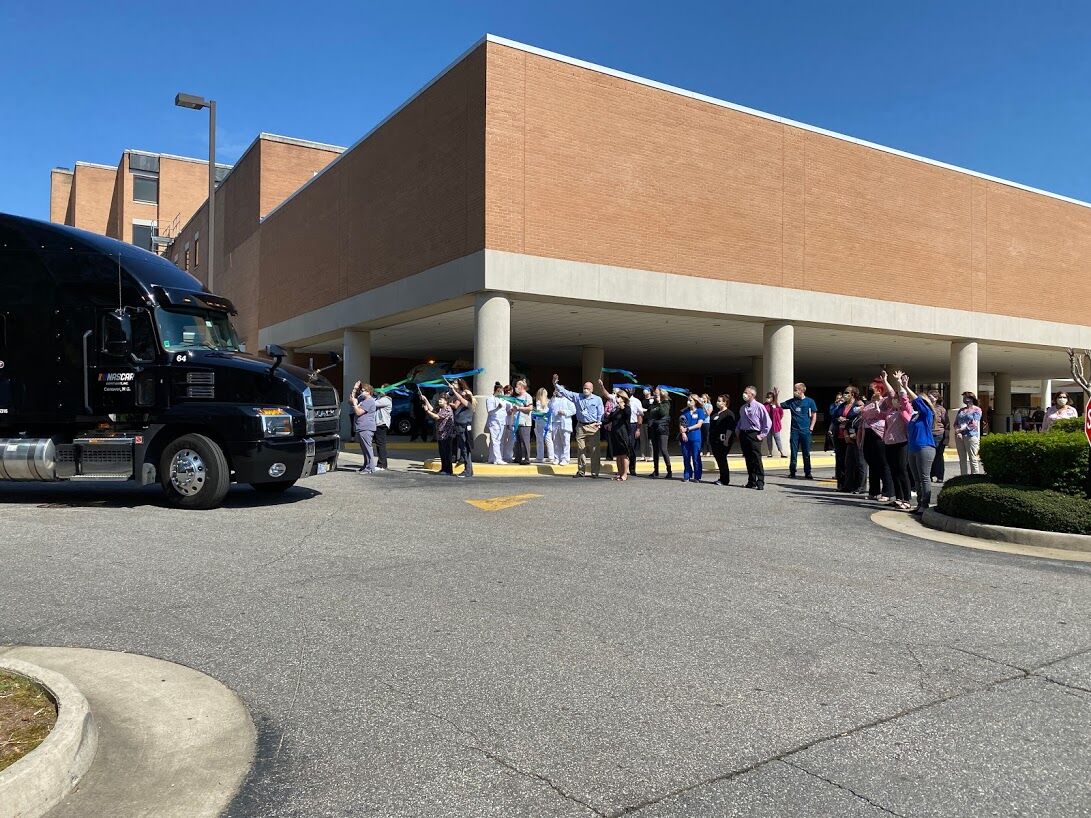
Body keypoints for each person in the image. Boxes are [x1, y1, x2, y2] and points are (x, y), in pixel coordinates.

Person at [552, 374, 605, 478]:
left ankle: (595, 472)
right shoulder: (577, 397)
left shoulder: (597, 399)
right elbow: (565, 392)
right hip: (581, 426)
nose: (585, 390)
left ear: (592, 390)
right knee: (581, 449)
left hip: (593, 426)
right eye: (584, 388)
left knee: (594, 450)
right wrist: (555, 384)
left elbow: (600, 412)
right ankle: (581, 471)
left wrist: (599, 422)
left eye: (588, 388)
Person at [901, 375, 936, 515]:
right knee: (916, 479)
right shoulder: (914, 416)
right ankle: (920, 503)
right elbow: (905, 404)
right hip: (913, 448)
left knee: (924, 477)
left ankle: (925, 504)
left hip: (925, 447)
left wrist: (906, 387)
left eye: (918, 401)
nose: (914, 402)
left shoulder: (927, 413)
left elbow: (917, 401)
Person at [879, 371, 913, 510]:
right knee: (893, 470)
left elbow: (902, 396)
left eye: (896, 398)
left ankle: (906, 499)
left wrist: (900, 382)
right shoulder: (890, 411)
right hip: (889, 443)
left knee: (902, 470)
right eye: (892, 399)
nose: (893, 399)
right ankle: (898, 498)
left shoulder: (905, 409)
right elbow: (891, 392)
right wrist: (885, 381)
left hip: (901, 443)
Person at [857, 383, 892, 502]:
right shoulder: (868, 404)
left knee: (883, 463)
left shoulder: (886, 402)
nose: (871, 391)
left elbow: (891, 396)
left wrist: (886, 381)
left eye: (873, 389)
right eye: (869, 389)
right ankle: (874, 491)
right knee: (872, 463)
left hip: (879, 434)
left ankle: (887, 492)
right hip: (868, 434)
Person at [774, 383, 817, 479]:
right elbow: (778, 406)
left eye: (796, 389)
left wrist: (811, 427)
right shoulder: (792, 402)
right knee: (794, 452)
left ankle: (808, 472)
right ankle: (792, 471)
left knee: (806, 452)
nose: (794, 391)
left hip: (806, 431)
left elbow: (814, 415)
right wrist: (776, 396)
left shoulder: (810, 401)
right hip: (795, 431)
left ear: (802, 390)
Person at [736, 385, 771, 489]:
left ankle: (760, 482)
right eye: (744, 392)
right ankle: (751, 481)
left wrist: (762, 435)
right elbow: (740, 421)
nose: (744, 394)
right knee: (748, 458)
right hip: (744, 434)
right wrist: (737, 430)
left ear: (752, 395)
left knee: (756, 458)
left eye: (746, 393)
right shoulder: (743, 408)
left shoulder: (759, 406)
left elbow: (767, 422)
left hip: (754, 434)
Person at [420, 392, 456, 475]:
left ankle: (448, 470)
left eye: (441, 399)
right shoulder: (440, 408)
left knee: (447, 453)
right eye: (439, 399)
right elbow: (433, 409)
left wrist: (426, 411)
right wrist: (425, 400)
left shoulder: (447, 409)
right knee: (442, 453)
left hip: (447, 435)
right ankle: (443, 469)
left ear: (446, 401)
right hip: (440, 434)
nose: (439, 401)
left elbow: (437, 417)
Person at [448, 378, 475, 478]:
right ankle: (469, 471)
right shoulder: (462, 404)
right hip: (460, 427)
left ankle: (467, 471)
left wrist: (455, 390)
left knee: (465, 449)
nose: (461, 395)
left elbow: (461, 399)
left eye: (463, 394)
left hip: (464, 428)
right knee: (464, 449)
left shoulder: (468, 403)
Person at [830, 391, 857, 491]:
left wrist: (847, 421)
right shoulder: (841, 406)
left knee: (850, 462)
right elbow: (833, 418)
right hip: (839, 436)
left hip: (851, 437)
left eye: (847, 393)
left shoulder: (857, 405)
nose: (845, 395)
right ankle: (841, 485)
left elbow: (857, 418)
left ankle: (852, 485)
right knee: (840, 461)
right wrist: (838, 419)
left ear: (852, 394)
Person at [350, 382, 378, 474]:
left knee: (367, 448)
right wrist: (355, 388)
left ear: (369, 392)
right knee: (364, 448)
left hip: (366, 427)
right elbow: (351, 400)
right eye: (361, 390)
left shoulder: (369, 401)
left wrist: (355, 405)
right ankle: (366, 465)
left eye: (363, 390)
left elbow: (358, 412)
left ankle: (370, 468)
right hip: (361, 427)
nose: (361, 392)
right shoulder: (362, 399)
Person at [707, 394, 736, 485]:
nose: (717, 402)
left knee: (722, 458)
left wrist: (727, 439)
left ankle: (725, 479)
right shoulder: (716, 413)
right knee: (719, 459)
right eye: (717, 401)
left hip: (723, 439)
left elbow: (730, 428)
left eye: (720, 401)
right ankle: (721, 477)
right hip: (714, 440)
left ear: (725, 403)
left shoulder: (729, 414)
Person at [679, 393, 707, 483]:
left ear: (695, 402)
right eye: (688, 400)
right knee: (686, 457)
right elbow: (681, 423)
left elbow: (699, 425)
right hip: (685, 438)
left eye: (690, 400)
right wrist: (683, 432)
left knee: (696, 457)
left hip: (695, 437)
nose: (688, 402)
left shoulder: (700, 411)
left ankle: (697, 476)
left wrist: (687, 429)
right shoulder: (684, 411)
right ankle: (687, 475)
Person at [954, 392, 984, 475]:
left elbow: (974, 424)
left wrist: (961, 430)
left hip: (971, 436)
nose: (964, 399)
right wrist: (958, 431)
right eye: (963, 397)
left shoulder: (977, 410)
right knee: (962, 459)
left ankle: (974, 477)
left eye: (965, 397)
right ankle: (963, 477)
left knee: (973, 458)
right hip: (960, 436)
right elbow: (956, 423)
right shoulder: (961, 410)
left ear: (971, 399)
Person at [646, 388, 673, 478]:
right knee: (655, 450)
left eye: (657, 394)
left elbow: (663, 413)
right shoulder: (654, 404)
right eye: (655, 394)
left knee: (663, 449)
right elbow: (651, 414)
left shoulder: (666, 403)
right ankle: (656, 470)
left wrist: (659, 402)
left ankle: (669, 471)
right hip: (654, 428)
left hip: (663, 429)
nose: (655, 396)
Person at [605, 393, 632, 481]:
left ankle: (624, 474)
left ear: (624, 398)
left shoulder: (627, 408)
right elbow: (609, 418)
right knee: (618, 455)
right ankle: (619, 473)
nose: (617, 398)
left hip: (623, 433)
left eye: (619, 397)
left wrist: (622, 407)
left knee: (624, 454)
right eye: (617, 396)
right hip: (615, 433)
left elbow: (627, 415)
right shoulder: (616, 408)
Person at [549, 387, 576, 465]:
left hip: (564, 423)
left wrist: (564, 412)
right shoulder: (554, 399)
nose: (558, 392)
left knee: (565, 441)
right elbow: (549, 406)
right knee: (556, 441)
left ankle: (565, 458)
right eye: (557, 390)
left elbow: (573, 410)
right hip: (555, 422)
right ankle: (557, 458)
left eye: (559, 390)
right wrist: (553, 397)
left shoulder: (568, 400)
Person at [511, 380, 534, 465]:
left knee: (525, 441)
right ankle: (518, 457)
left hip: (525, 422)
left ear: (522, 387)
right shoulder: (517, 398)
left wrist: (519, 408)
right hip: (517, 422)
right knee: (518, 441)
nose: (516, 388)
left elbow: (530, 408)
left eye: (517, 386)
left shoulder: (527, 397)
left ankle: (527, 458)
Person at [485, 382, 508, 464]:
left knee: (499, 440)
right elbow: (490, 411)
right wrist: (497, 408)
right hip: (494, 422)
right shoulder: (490, 399)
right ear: (496, 390)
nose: (501, 393)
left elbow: (507, 408)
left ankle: (492, 458)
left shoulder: (502, 399)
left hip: (502, 421)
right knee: (496, 440)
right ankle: (498, 458)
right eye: (499, 391)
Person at [929, 392, 948, 483]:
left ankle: (940, 476)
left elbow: (946, 423)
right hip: (928, 435)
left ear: (936, 398)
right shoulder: (926, 408)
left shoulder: (941, 409)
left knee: (938, 456)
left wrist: (946, 438)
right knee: (929, 456)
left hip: (939, 434)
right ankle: (930, 475)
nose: (929, 398)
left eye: (930, 396)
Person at [373, 388, 392, 471]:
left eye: (382, 389)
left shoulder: (385, 400)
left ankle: (382, 465)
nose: (380, 391)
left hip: (381, 424)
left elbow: (373, 403)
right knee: (379, 444)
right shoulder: (381, 399)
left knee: (381, 445)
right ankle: (381, 463)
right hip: (379, 424)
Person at [533, 387, 554, 463]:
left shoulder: (539, 402)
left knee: (540, 441)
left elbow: (539, 413)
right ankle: (551, 457)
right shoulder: (549, 402)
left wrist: (533, 412)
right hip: (547, 424)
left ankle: (540, 457)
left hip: (540, 424)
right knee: (548, 440)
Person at [762, 392, 786, 457]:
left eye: (769, 397)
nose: (768, 398)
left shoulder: (776, 405)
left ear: (772, 398)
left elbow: (781, 413)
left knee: (777, 438)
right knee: (769, 439)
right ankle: (770, 453)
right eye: (767, 397)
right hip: (767, 426)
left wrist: (777, 420)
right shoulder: (764, 405)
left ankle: (781, 452)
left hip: (775, 425)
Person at [502, 384, 517, 463]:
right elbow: (508, 412)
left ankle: (505, 455)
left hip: (508, 422)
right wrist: (512, 410)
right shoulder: (508, 400)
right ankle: (507, 456)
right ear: (510, 391)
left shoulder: (505, 399)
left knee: (506, 440)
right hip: (508, 422)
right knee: (510, 440)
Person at [639, 388, 653, 461]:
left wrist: (645, 410)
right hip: (642, 421)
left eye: (646, 390)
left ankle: (651, 455)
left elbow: (651, 409)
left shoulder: (652, 400)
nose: (645, 391)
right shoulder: (642, 400)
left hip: (649, 421)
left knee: (650, 440)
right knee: (642, 439)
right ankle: (643, 455)